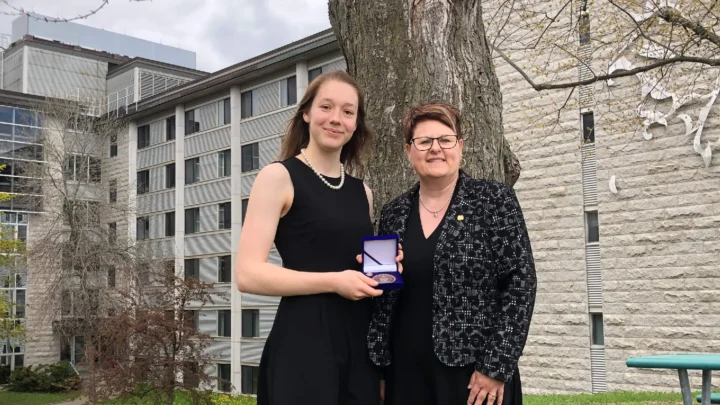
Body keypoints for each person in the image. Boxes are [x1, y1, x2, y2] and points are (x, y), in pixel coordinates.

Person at [235, 70, 400, 405]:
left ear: (356, 123)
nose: (336, 119)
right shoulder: (278, 177)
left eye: (348, 111)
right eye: (327, 107)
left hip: (359, 348)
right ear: (307, 113)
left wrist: (386, 269)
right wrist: (334, 282)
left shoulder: (362, 193)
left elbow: (352, 267)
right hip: (303, 344)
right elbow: (247, 274)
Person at [367, 102, 537, 405]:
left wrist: (496, 366)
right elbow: (383, 297)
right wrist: (379, 369)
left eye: (445, 139)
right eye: (424, 141)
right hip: (405, 374)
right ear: (409, 151)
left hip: (475, 377)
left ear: (459, 146)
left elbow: (520, 285)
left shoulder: (494, 200)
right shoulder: (393, 213)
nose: (436, 148)